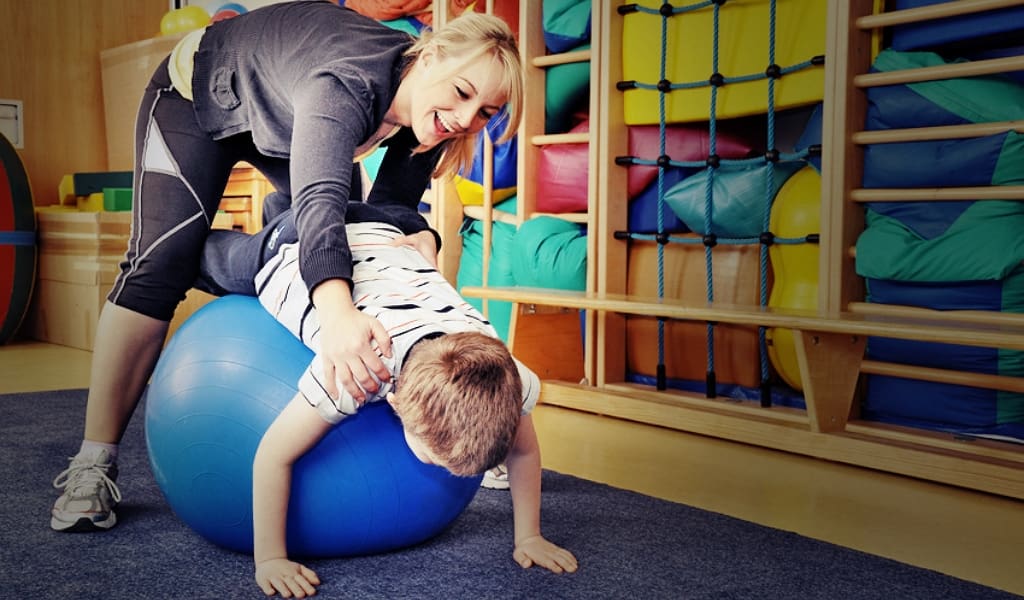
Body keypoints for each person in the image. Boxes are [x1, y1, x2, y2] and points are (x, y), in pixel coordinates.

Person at [50, 1, 523, 533]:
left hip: (283, 111)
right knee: (159, 263)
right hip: (200, 96)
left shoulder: (432, 118)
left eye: (487, 111)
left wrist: (417, 235)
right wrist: (339, 316)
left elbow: (386, 211)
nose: (466, 118)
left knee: (347, 231)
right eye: (463, 92)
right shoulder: (346, 82)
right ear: (431, 56)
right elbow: (320, 202)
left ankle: (456, 428)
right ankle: (94, 461)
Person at [234, 219, 577, 597]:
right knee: (201, 256)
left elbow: (524, 449)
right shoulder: (358, 368)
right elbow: (272, 455)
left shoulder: (511, 378)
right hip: (293, 249)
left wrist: (529, 535)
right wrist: (269, 558)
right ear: (395, 404)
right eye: (435, 459)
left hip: (384, 238)